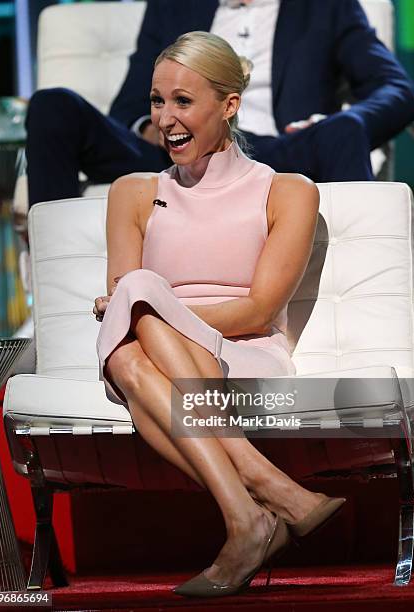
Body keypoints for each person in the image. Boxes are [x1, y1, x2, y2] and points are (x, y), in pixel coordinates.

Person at [93, 31, 345, 598]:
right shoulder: (132, 192)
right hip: (160, 364)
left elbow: (260, 310)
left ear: (229, 105)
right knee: (133, 351)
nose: (166, 118)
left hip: (245, 355)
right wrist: (141, 306)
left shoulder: (287, 190)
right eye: (157, 101)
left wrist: (152, 307)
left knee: (137, 317)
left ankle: (255, 513)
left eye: (183, 101)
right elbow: (129, 306)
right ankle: (257, 503)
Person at [26, 0, 414, 207]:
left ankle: (361, 302)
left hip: (275, 152)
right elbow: (130, 106)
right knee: (53, 105)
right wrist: (157, 127)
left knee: (345, 130)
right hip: (173, 149)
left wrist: (333, 121)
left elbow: (398, 90)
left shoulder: (324, 6)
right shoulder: (175, 6)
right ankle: (56, 276)